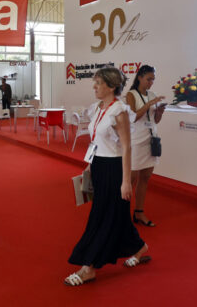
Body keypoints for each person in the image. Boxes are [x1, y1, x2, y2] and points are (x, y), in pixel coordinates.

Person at [64, 67, 150, 286]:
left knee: (103, 217)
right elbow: (96, 141)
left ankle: (89, 267)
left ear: (111, 86)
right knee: (116, 214)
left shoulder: (119, 110)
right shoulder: (99, 107)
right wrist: (90, 167)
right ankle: (140, 248)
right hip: (100, 165)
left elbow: (127, 147)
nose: (94, 86)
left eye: (98, 83)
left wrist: (125, 181)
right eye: (95, 82)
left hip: (114, 168)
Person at [125, 65, 166, 227]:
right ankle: (122, 215)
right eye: (149, 79)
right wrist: (149, 105)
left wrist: (159, 112)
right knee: (131, 179)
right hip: (136, 141)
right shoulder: (131, 94)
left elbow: (155, 121)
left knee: (145, 178)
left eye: (153, 79)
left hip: (151, 139)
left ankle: (139, 212)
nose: (151, 82)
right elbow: (133, 118)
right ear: (140, 77)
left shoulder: (152, 95)